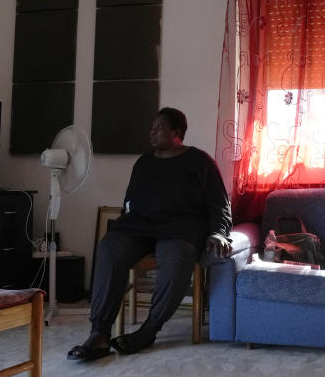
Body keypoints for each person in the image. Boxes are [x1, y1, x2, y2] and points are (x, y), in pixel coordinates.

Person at [68, 107, 232, 361]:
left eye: (159, 128)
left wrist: (219, 232)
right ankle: (99, 333)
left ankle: (149, 330)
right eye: (152, 128)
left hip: (180, 228)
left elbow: (219, 205)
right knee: (109, 248)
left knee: (176, 256)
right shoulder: (144, 162)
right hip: (139, 226)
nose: (152, 132)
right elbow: (130, 201)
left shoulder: (200, 162)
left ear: (177, 133)